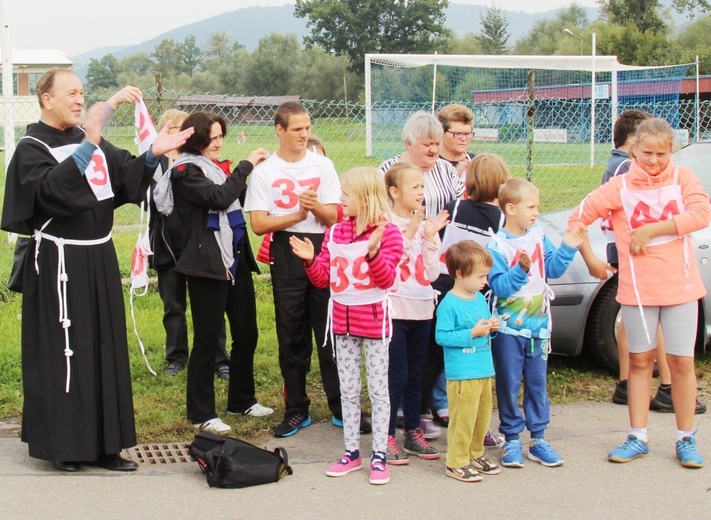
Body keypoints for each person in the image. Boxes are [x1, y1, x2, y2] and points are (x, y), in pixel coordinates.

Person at [0, 68, 193, 472]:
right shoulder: (32, 147)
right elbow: (54, 192)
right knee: (64, 353)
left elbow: (127, 180)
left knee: (104, 348)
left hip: (99, 258)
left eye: (82, 93)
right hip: (58, 263)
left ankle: (107, 444)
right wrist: (90, 137)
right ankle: (66, 446)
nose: (79, 100)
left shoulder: (93, 143)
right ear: (45, 99)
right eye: (70, 93)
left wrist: (155, 152)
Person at [569, 118, 710, 468]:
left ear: (671, 151)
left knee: (680, 363)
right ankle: (637, 437)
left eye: (662, 154)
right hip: (638, 291)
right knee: (640, 362)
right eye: (647, 152)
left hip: (680, 288)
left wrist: (654, 230)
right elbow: (578, 219)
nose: (654, 160)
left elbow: (702, 213)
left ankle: (686, 439)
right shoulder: (618, 186)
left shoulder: (683, 179)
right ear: (633, 149)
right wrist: (591, 261)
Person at [153, 112, 272, 433]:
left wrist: (253, 173)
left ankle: (242, 400)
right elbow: (218, 198)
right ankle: (201, 412)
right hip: (206, 264)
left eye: (221, 136)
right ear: (196, 139)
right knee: (207, 340)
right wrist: (244, 167)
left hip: (235, 259)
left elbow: (237, 195)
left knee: (247, 333)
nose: (219, 142)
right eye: (213, 137)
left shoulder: (217, 169)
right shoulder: (185, 171)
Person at [244, 102, 353, 438]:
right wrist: (296, 214)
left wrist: (315, 207)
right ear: (280, 129)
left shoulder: (323, 165)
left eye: (307, 128)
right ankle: (296, 410)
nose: (304, 134)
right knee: (291, 331)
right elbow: (260, 224)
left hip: (323, 247)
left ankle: (342, 407)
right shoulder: (265, 171)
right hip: (286, 249)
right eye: (297, 129)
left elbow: (336, 216)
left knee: (329, 331)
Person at [290, 167, 403, 485]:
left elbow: (387, 279)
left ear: (366, 198)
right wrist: (312, 260)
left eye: (346, 195)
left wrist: (373, 253)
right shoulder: (336, 231)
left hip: (375, 324)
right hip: (341, 322)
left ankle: (378, 455)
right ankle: (351, 453)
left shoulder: (388, 233)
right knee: (349, 391)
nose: (340, 200)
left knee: (378, 391)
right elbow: (325, 278)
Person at [379, 110, 465, 438]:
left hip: (436, 262)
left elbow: (457, 207)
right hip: (400, 271)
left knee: (430, 343)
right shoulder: (388, 171)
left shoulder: (446, 169)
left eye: (436, 144)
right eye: (426, 145)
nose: (433, 150)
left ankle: (425, 405)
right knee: (400, 354)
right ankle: (398, 411)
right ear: (408, 143)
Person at [487, 178, 584, 468]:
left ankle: (539, 439)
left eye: (537, 206)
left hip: (539, 327)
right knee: (508, 382)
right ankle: (513, 438)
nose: (536, 212)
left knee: (537, 383)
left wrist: (568, 246)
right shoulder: (497, 245)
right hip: (508, 330)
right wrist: (520, 270)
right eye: (531, 207)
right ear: (511, 208)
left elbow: (552, 268)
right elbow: (500, 287)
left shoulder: (539, 235)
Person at [424, 154, 511, 448]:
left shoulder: (455, 206)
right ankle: (458, 410)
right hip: (477, 295)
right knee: (471, 351)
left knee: (436, 350)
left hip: (444, 286)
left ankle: (431, 405)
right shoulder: (501, 219)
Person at [149, 109, 231, 379]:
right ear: (165, 132)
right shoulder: (154, 166)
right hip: (168, 245)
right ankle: (176, 357)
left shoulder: (202, 164)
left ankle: (220, 360)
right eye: (177, 129)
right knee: (173, 305)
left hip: (199, 246)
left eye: (189, 129)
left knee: (210, 307)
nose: (184, 135)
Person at [383, 162, 449, 465]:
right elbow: (390, 267)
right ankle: (386, 437)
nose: (421, 192)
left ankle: (412, 431)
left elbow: (433, 273)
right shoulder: (385, 225)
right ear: (395, 192)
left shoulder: (425, 226)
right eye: (415, 187)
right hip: (396, 310)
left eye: (423, 187)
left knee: (416, 375)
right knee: (396, 376)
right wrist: (411, 231)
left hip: (423, 309)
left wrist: (431, 240)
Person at [436, 241, 502, 482]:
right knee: (463, 418)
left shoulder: (479, 298)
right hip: (463, 373)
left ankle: (474, 454)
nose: (485, 280)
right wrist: (471, 333)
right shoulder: (449, 303)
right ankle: (456, 461)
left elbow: (484, 327)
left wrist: (492, 326)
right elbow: (441, 336)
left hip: (483, 368)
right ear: (460, 274)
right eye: (481, 276)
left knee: (481, 417)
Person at [437, 103, 476, 180]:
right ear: (441, 133)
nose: (464, 138)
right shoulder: (430, 164)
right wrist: (456, 174)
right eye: (458, 134)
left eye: (468, 133)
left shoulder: (476, 164)